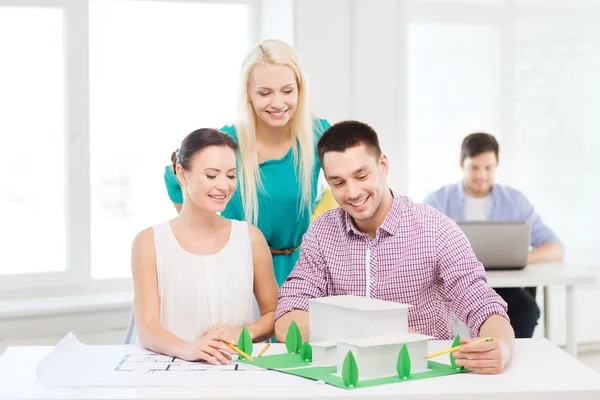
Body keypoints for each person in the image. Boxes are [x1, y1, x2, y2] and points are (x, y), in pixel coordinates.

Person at [275, 121, 515, 374]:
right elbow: (287, 320)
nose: (353, 192)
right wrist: (384, 332)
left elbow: (483, 306)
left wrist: (502, 347)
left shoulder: (436, 229)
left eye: (361, 176)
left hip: (423, 376)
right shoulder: (322, 233)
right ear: (327, 181)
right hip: (344, 380)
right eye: (339, 183)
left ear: (383, 165)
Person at [164, 39, 332, 286]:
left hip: (298, 273)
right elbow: (173, 177)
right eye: (265, 93)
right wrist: (207, 229)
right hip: (235, 271)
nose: (277, 103)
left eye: (287, 91)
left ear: (300, 89)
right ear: (248, 94)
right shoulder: (227, 143)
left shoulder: (318, 134)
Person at [133, 128, 278, 364]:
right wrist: (189, 349)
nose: (223, 186)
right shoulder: (149, 242)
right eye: (211, 175)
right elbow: (147, 327)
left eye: (231, 176)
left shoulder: (250, 238)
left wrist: (242, 334)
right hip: (174, 370)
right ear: (182, 174)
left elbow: (274, 315)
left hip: (235, 369)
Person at [424, 132, 564, 338]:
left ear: (496, 165)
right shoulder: (437, 200)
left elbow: (555, 247)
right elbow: (418, 243)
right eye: (475, 167)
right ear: (462, 164)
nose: (482, 175)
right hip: (455, 288)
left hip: (503, 287)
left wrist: (522, 259)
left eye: (488, 168)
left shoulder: (515, 201)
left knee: (526, 309)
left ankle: (510, 360)